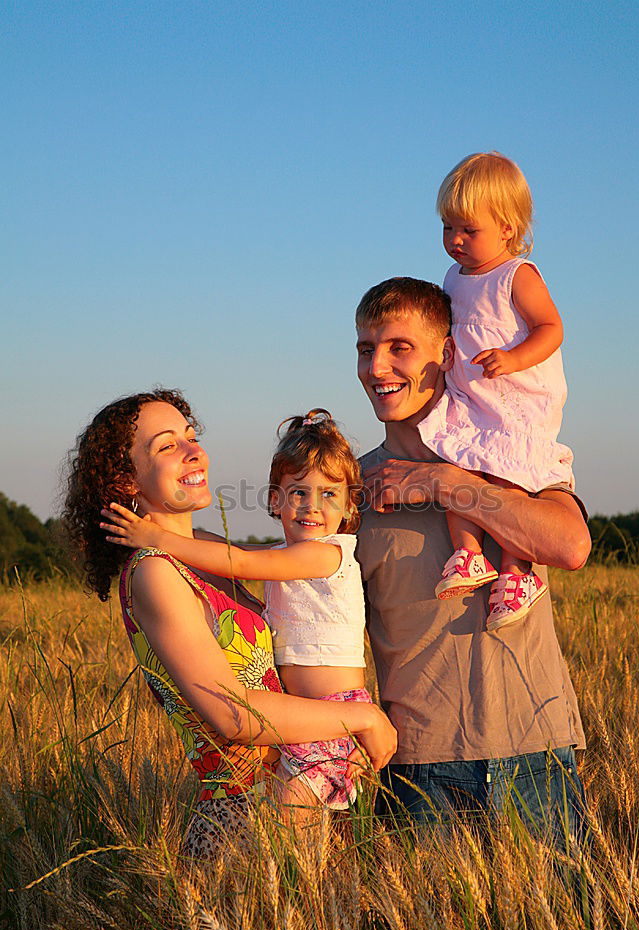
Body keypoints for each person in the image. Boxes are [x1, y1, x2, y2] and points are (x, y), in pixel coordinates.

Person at [63, 389, 396, 859]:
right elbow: (233, 714)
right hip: (245, 821)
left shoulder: (205, 547)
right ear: (125, 481)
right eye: (166, 445)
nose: (192, 450)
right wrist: (361, 715)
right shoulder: (156, 571)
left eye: (191, 436)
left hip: (304, 779)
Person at [355, 277, 589, 842]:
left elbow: (570, 545)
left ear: (449, 354)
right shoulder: (351, 488)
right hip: (418, 766)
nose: (377, 367)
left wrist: (445, 482)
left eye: (399, 347)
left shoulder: (516, 461)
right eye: (366, 349)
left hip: (538, 754)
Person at [417, 152, 574, 630]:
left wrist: (513, 359)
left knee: (507, 478)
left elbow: (551, 328)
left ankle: (517, 570)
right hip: (473, 398)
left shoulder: (516, 275)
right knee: (459, 468)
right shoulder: (453, 279)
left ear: (507, 228)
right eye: (447, 228)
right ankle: (469, 555)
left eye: (468, 229)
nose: (455, 240)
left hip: (515, 399)